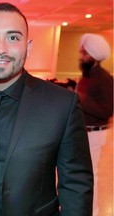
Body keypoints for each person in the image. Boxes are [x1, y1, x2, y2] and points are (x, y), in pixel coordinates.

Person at [0, 2, 93, 216]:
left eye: (13, 38)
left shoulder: (61, 104)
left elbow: (76, 184)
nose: (0, 49)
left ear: (28, 47)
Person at [75, 33, 113, 216]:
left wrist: (81, 98)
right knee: (82, 174)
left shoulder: (104, 78)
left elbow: (106, 111)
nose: (81, 56)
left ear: (93, 55)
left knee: (91, 175)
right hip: (86, 132)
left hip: (95, 134)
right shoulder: (89, 75)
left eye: (84, 53)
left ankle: (93, 211)